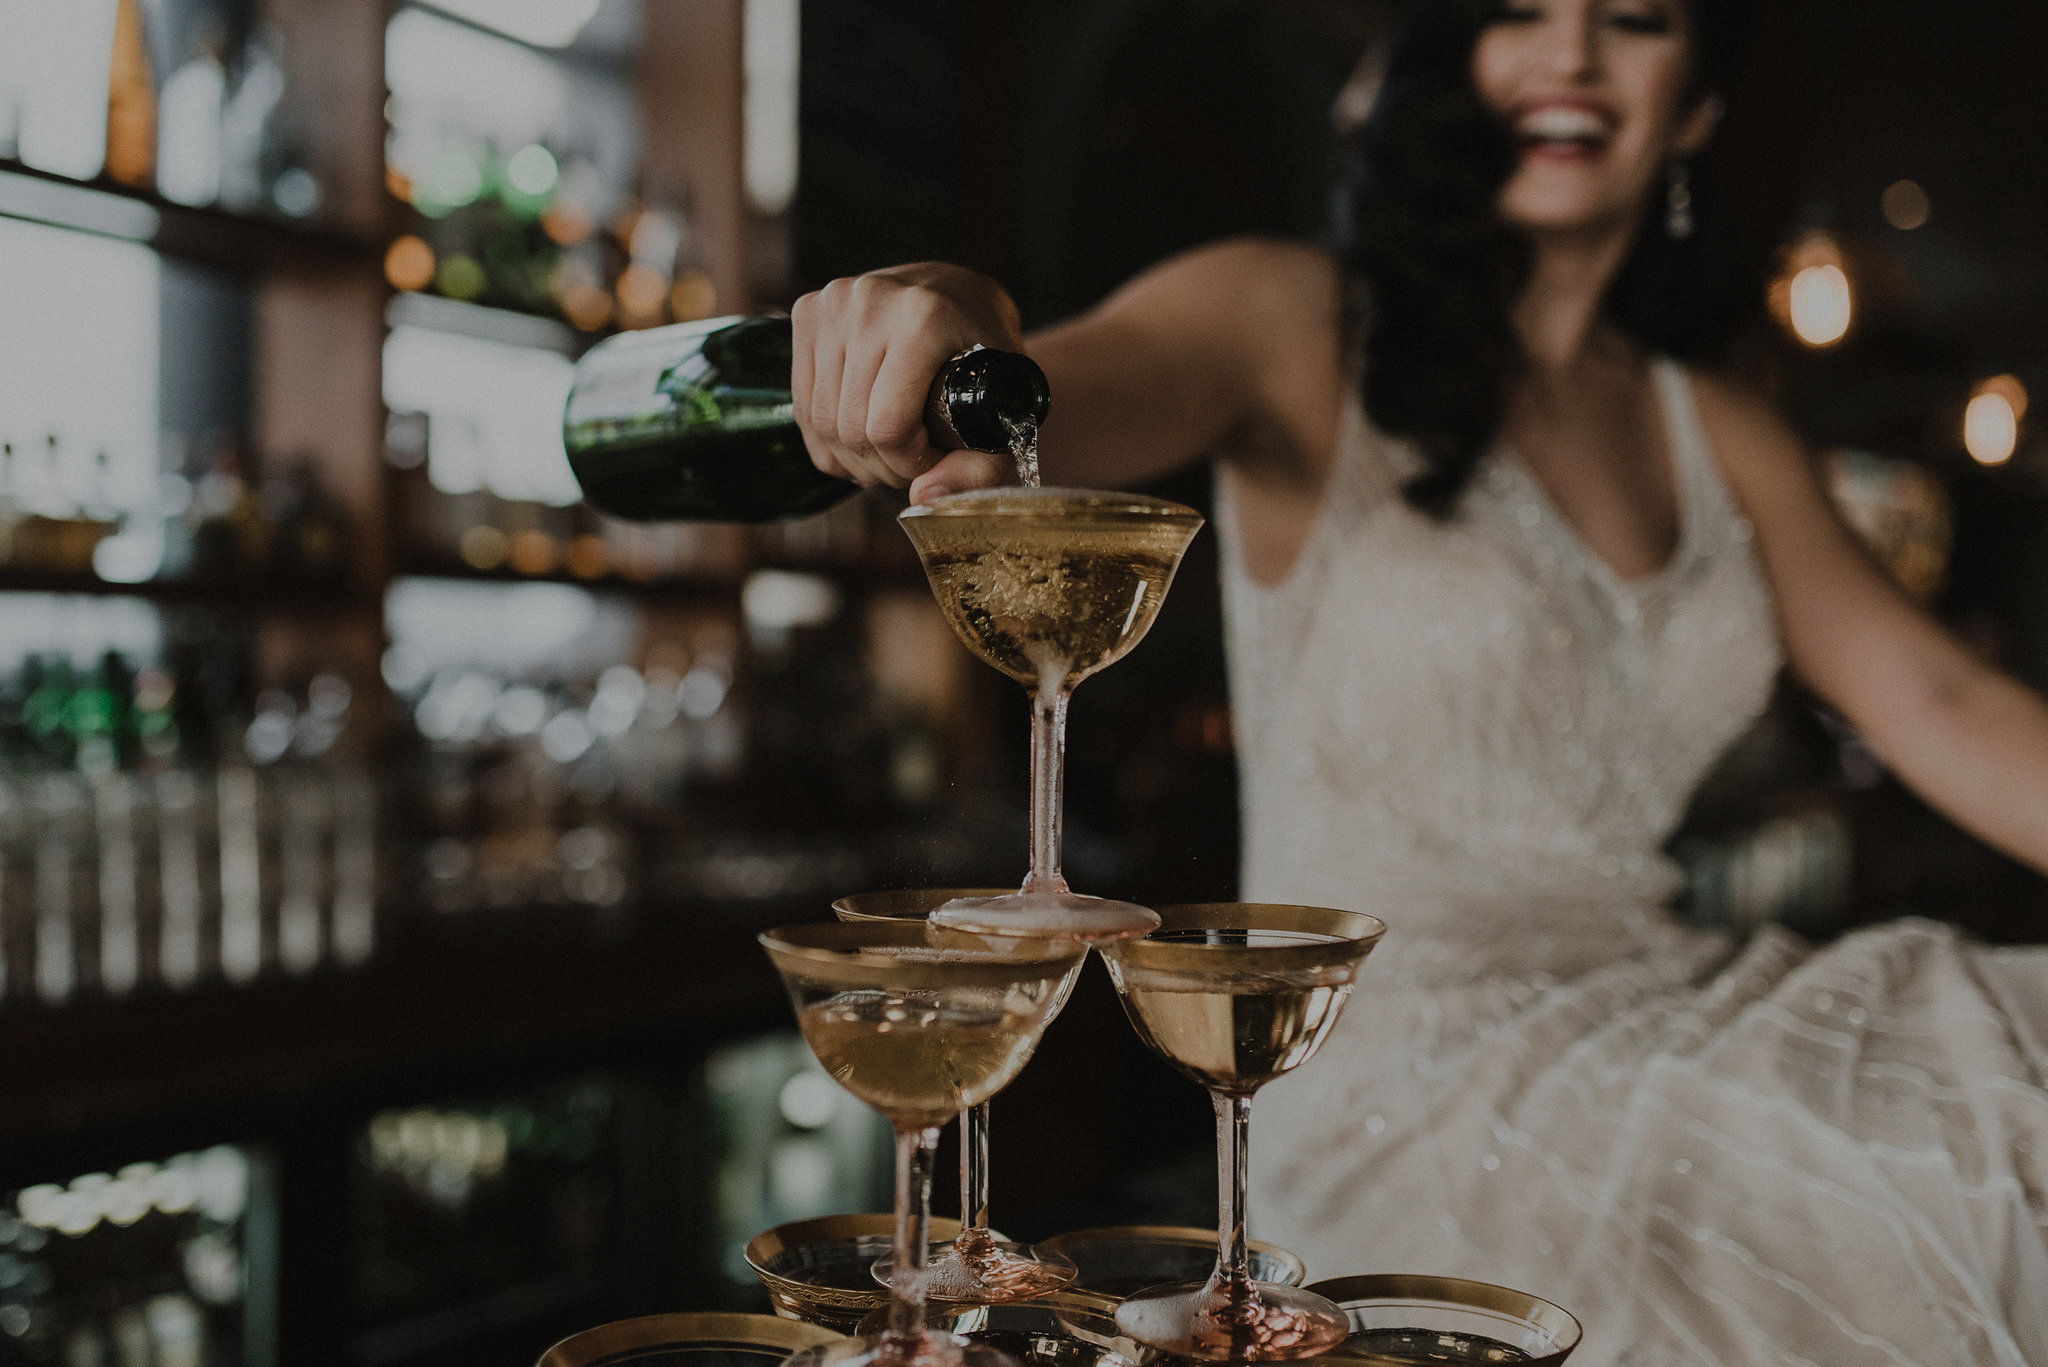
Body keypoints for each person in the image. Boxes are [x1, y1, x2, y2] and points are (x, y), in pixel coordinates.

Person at [788, 0, 2048, 1361]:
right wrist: (948, 328)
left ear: (1696, 105)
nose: (1570, 54)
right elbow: (1034, 391)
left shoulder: (1721, 431)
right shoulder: (1297, 320)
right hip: (1389, 1085)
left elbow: (1946, 703)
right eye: (1519, 13)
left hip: (1675, 1008)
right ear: (1449, 59)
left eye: (1631, 19)